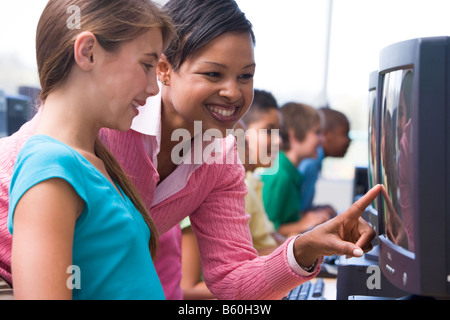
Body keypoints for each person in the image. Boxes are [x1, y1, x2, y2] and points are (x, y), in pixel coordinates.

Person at [2, 0, 379, 300]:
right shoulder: (101, 119)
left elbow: (232, 280)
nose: (234, 92)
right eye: (213, 74)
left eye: (245, 76)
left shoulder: (220, 157)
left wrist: (304, 249)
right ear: (164, 69)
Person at [4, 0, 174, 300]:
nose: (154, 88)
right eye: (147, 65)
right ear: (88, 52)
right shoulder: (50, 168)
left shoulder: (90, 161)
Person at [261, 102, 333, 237]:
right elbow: (267, 231)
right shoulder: (279, 174)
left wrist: (307, 215)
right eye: (317, 133)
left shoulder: (292, 171)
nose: (323, 139)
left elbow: (286, 218)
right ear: (294, 135)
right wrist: (302, 224)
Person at [238, 89, 286, 254]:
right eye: (268, 130)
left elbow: (270, 238)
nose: (278, 140)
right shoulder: (241, 185)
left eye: (278, 132)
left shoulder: (253, 180)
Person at [298, 107, 351, 213]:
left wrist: (315, 210)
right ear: (326, 134)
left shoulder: (316, 160)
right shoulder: (312, 161)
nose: (348, 140)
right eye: (344, 133)